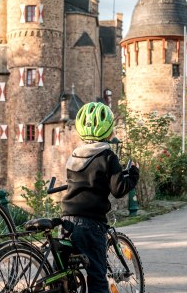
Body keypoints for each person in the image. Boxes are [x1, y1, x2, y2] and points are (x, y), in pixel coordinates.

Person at [61, 102, 139, 293]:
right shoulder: (107, 156)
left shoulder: (74, 156)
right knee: (97, 277)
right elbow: (119, 189)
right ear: (109, 130)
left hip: (66, 221)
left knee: (64, 275)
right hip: (91, 225)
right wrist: (134, 173)